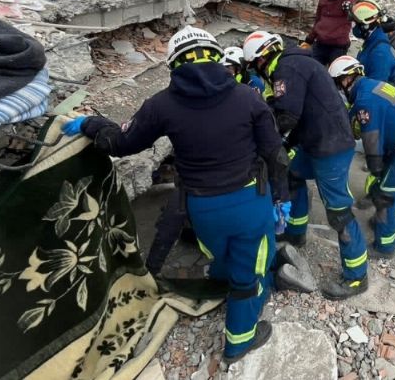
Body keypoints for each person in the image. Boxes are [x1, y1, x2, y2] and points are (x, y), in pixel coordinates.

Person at [61, 27, 297, 363]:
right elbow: (275, 154)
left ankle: (219, 288)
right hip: (248, 204)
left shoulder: (162, 105)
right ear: (217, 58)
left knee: (222, 255)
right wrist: (282, 196)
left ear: (174, 65)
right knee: (251, 272)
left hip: (200, 208)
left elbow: (121, 143)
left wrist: (90, 124)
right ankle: (238, 343)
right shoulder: (249, 98)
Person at [242, 31, 369, 299]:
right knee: (292, 174)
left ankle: (357, 277)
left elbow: (287, 115)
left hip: (330, 147)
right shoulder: (294, 63)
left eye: (254, 65)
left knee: (339, 213)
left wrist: (264, 138)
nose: (256, 71)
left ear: (261, 59)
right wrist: (286, 146)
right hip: (316, 140)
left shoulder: (288, 67)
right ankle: (295, 233)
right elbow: (302, 113)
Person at [328, 56, 395, 258]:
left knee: (383, 196)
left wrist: (375, 166)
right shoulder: (372, 85)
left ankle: (385, 246)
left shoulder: (364, 100)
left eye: (337, 84)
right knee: (389, 189)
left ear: (345, 80)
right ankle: (387, 224)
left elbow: (371, 138)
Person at [304, 0, 357, 66]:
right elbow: (318, 20)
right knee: (312, 70)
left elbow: (351, 7)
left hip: (338, 47)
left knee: (334, 76)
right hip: (320, 44)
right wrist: (310, 39)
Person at [351, 0, 395, 85]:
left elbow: (374, 89)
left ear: (365, 26)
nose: (353, 26)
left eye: (355, 22)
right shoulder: (372, 41)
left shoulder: (380, 53)